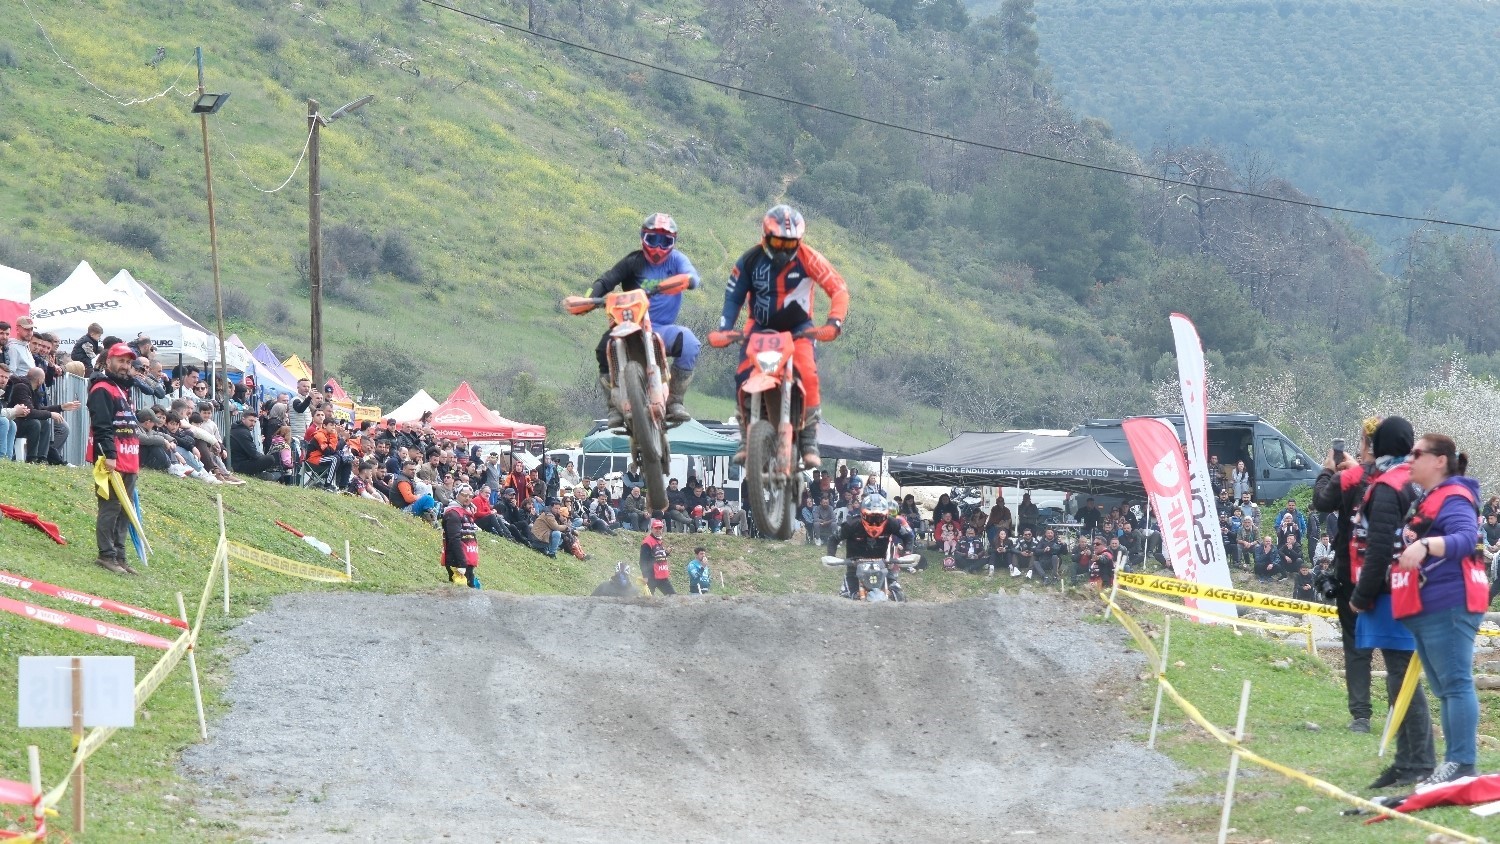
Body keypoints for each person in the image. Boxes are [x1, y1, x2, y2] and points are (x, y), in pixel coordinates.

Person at [711, 204, 848, 467]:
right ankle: (746, 435)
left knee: (808, 373)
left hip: (799, 328)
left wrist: (834, 321)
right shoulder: (750, 260)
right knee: (742, 374)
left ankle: (808, 438)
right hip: (759, 328)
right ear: (765, 237)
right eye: (777, 242)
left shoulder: (810, 258)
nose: (783, 250)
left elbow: (838, 288)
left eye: (790, 244)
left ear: (800, 241)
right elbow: (733, 296)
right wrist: (725, 328)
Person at [1348, 416, 1436, 789]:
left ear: (1381, 446)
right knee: (1400, 676)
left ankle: (1420, 762)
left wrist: (1360, 596)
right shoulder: (1412, 481)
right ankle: (1405, 761)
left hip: (1391, 593)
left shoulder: (1387, 487)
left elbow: (1380, 548)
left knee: (1402, 677)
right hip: (1409, 587)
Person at [1395, 432, 1485, 787]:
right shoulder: (1430, 497)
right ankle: (1454, 763)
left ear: (1439, 461)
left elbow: (1466, 538)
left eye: (1417, 453)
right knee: (1445, 687)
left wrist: (1427, 545)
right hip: (1427, 605)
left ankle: (1462, 763)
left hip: (1450, 602)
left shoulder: (1455, 496)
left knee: (1456, 683)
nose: (1410, 459)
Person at [571, 213, 701, 427]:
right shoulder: (633, 262)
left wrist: (685, 281)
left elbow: (692, 277)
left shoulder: (677, 260)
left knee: (690, 344)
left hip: (661, 329)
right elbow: (606, 280)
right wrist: (588, 299)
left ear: (673, 243)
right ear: (643, 238)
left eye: (665, 242)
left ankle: (675, 401)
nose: (658, 248)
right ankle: (614, 406)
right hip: (628, 325)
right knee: (604, 348)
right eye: (653, 239)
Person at [87, 343, 142, 575]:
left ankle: (120, 556)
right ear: (108, 361)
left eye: (128, 362)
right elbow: (102, 426)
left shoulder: (123, 388)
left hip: (129, 457)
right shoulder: (102, 388)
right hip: (111, 458)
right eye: (121, 361)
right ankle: (106, 555)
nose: (125, 366)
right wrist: (109, 455)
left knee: (125, 510)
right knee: (111, 507)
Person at [825, 493, 904, 598]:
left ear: (886, 515)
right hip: (854, 569)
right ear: (863, 515)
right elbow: (833, 538)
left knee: (898, 596)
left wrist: (907, 551)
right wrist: (831, 556)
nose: (875, 522)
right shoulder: (851, 524)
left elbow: (908, 535)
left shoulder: (892, 523)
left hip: (883, 567)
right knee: (846, 597)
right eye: (871, 518)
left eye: (879, 518)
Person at [441, 485, 482, 588]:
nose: (467, 498)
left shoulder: (466, 512)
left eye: (470, 496)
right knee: (460, 593)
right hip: (457, 561)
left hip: (467, 559)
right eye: (464, 495)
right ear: (457, 495)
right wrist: (462, 563)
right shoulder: (453, 513)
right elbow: (454, 539)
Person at [639, 518, 675, 595]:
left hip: (662, 576)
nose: (658, 530)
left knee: (673, 596)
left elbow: (657, 557)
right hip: (651, 576)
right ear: (652, 529)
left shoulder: (658, 540)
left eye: (660, 528)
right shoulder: (647, 542)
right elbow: (643, 561)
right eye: (656, 528)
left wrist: (666, 553)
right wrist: (645, 576)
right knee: (647, 599)